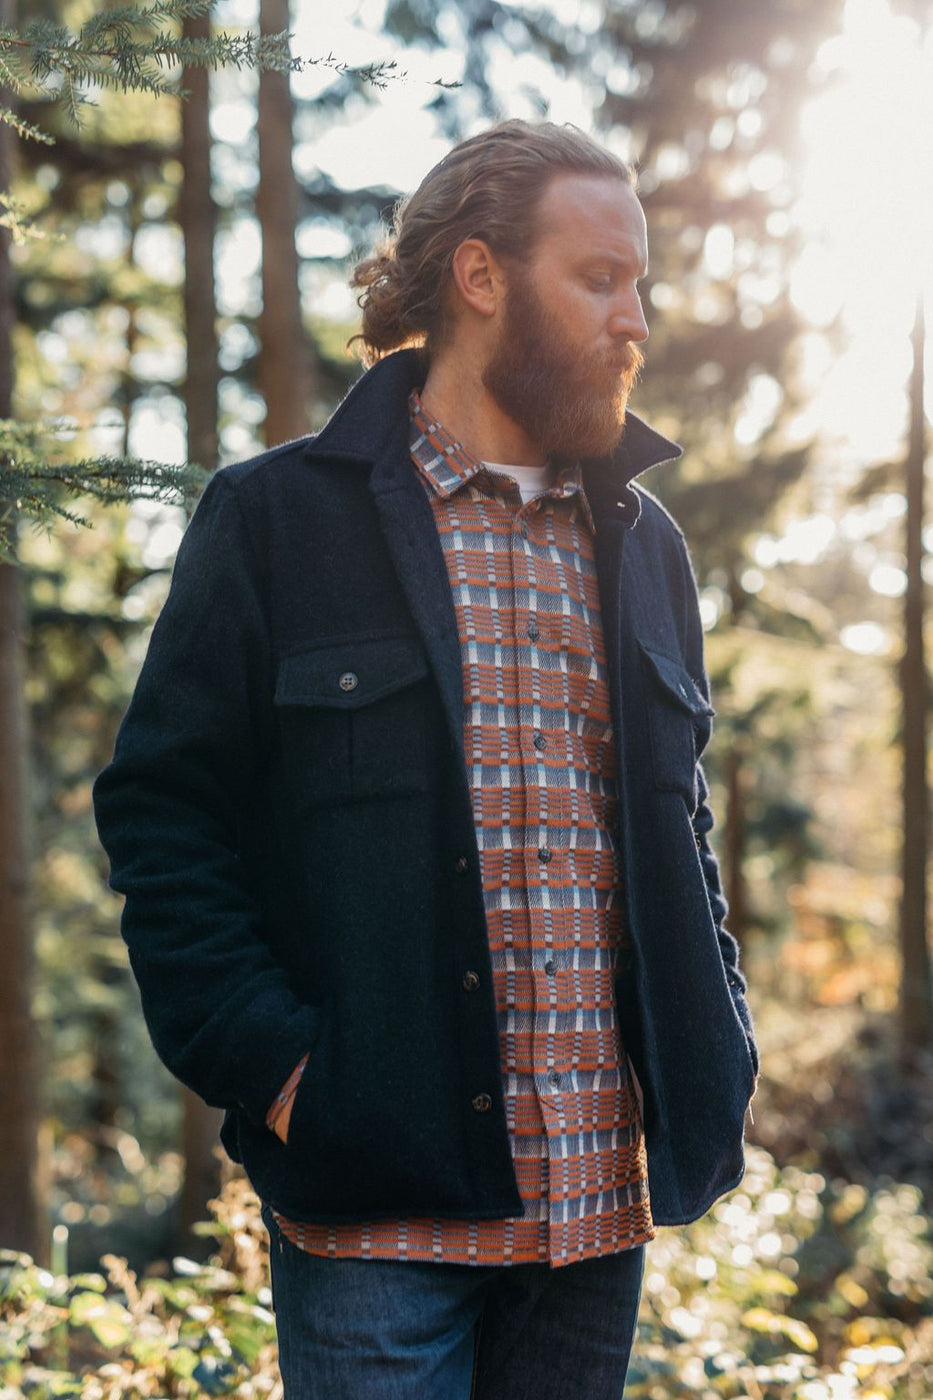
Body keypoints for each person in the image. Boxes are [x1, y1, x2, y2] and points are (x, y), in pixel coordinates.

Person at [94, 119, 758, 1400]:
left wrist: (719, 1034)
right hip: (374, 1209)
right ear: (480, 274)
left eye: (641, 284)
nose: (635, 319)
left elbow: (680, 824)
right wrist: (280, 1071)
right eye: (600, 278)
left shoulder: (647, 546)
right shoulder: (276, 519)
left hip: (596, 1210)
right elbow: (163, 816)